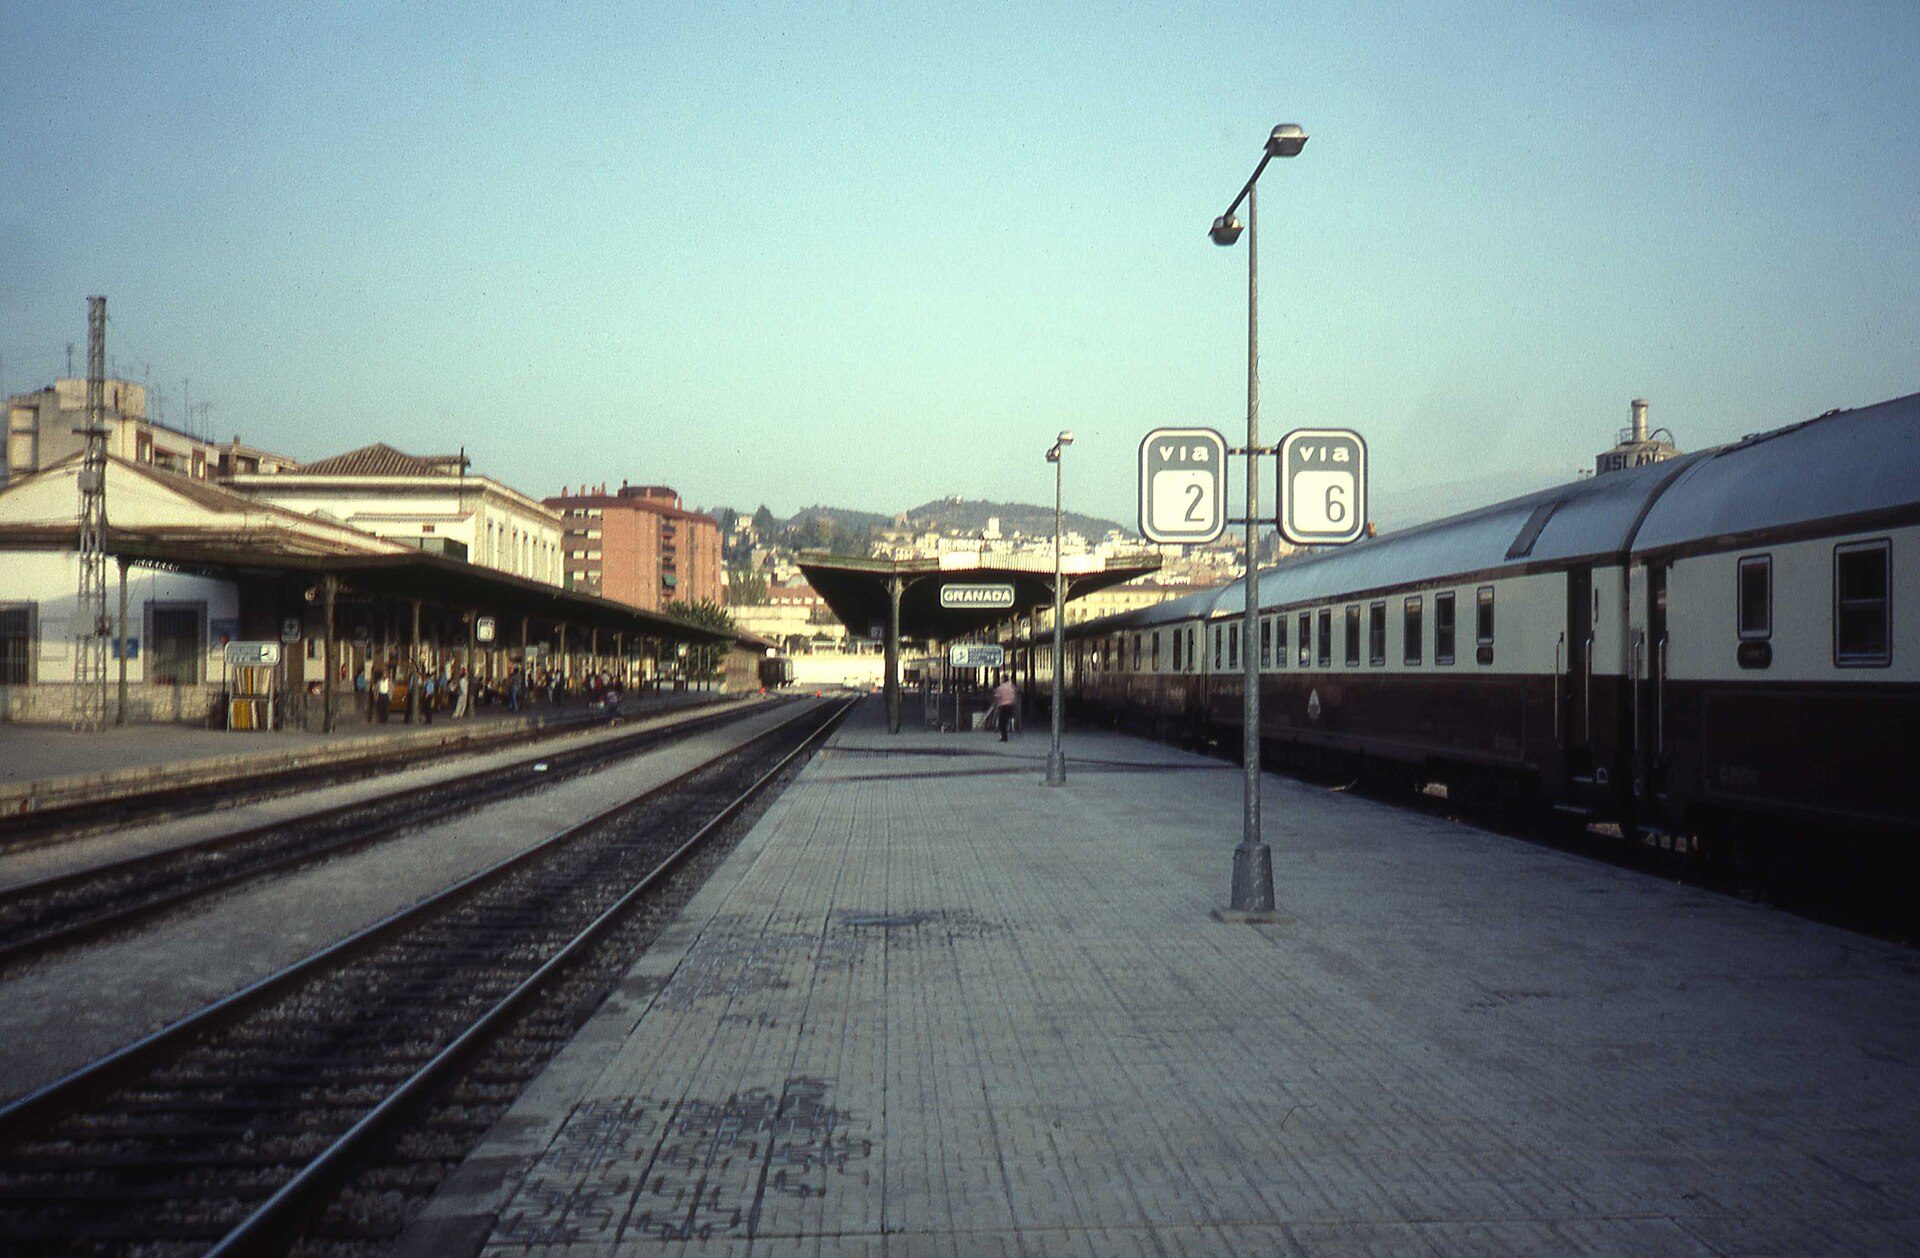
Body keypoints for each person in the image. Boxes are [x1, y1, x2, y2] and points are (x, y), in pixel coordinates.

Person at [992, 673, 1018, 742]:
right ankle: (1008, 733)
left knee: (1001, 722)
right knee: (1007, 720)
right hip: (1011, 705)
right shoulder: (1012, 687)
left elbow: (997, 697)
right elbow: (1015, 695)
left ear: (1003, 679)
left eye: (1001, 679)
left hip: (1003, 706)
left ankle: (1004, 737)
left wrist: (997, 704)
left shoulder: (1000, 688)